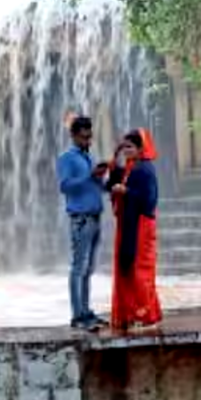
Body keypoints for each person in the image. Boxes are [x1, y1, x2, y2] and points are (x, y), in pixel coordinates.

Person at [56, 114, 110, 330]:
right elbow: (65, 186)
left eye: (89, 137)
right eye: (83, 138)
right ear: (73, 136)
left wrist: (108, 182)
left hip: (95, 217)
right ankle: (77, 316)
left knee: (88, 268)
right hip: (81, 219)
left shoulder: (88, 157)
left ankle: (86, 312)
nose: (87, 141)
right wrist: (90, 175)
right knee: (78, 268)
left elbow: (94, 184)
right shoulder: (67, 158)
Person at [107, 128, 163, 332]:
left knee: (140, 270)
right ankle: (135, 314)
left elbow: (149, 199)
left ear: (141, 148)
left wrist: (126, 191)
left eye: (130, 147)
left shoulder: (144, 169)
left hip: (140, 225)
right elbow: (111, 181)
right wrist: (115, 155)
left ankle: (144, 316)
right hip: (131, 223)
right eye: (125, 148)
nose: (127, 151)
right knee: (130, 269)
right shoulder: (132, 168)